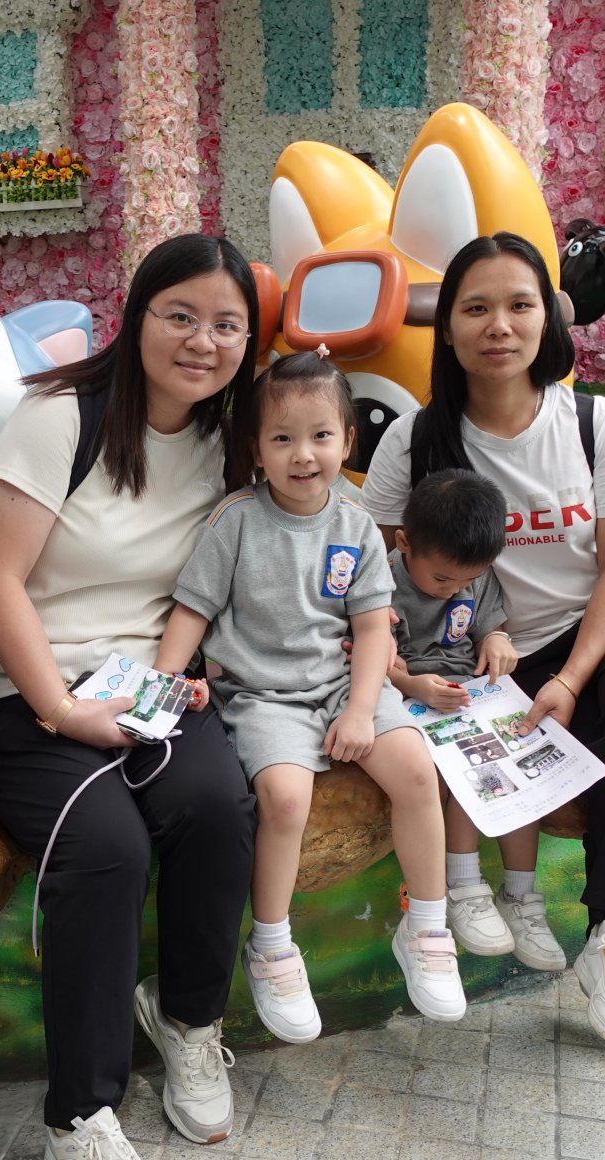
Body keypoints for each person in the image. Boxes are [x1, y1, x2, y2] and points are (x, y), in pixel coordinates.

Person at [359, 231, 605, 1069]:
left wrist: (569, 677)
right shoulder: (415, 441)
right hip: (476, 655)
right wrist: (403, 668)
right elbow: (377, 573)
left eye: (519, 304)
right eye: (475, 308)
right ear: (448, 327)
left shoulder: (596, 423)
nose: (499, 325)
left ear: (549, 318)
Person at [0, 234, 259, 1160]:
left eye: (227, 325)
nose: (202, 340)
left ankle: (186, 1018)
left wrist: (183, 677)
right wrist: (57, 707)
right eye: (181, 315)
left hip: (146, 683)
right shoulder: (60, 417)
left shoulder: (230, 439)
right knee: (106, 848)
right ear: (136, 317)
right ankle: (79, 1119)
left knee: (215, 805)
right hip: (24, 693)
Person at [153, 351, 464, 1046]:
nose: (303, 455)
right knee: (285, 798)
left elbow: (371, 627)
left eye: (321, 435)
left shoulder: (356, 519)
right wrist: (161, 686)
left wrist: (360, 710)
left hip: (345, 684)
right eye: (282, 438)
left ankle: (427, 928)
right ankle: (270, 944)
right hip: (263, 696)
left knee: (419, 771)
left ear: (348, 440)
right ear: (255, 448)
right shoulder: (235, 520)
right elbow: (192, 611)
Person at [386, 468, 565, 973]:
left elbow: (489, 623)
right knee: (467, 769)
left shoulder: (474, 574)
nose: (454, 590)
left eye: (466, 581)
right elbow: (374, 659)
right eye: (443, 579)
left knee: (521, 760)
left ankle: (520, 895)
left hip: (471, 695)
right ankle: (464, 888)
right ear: (404, 543)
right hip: (411, 699)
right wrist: (413, 685)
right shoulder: (382, 581)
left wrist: (496, 638)